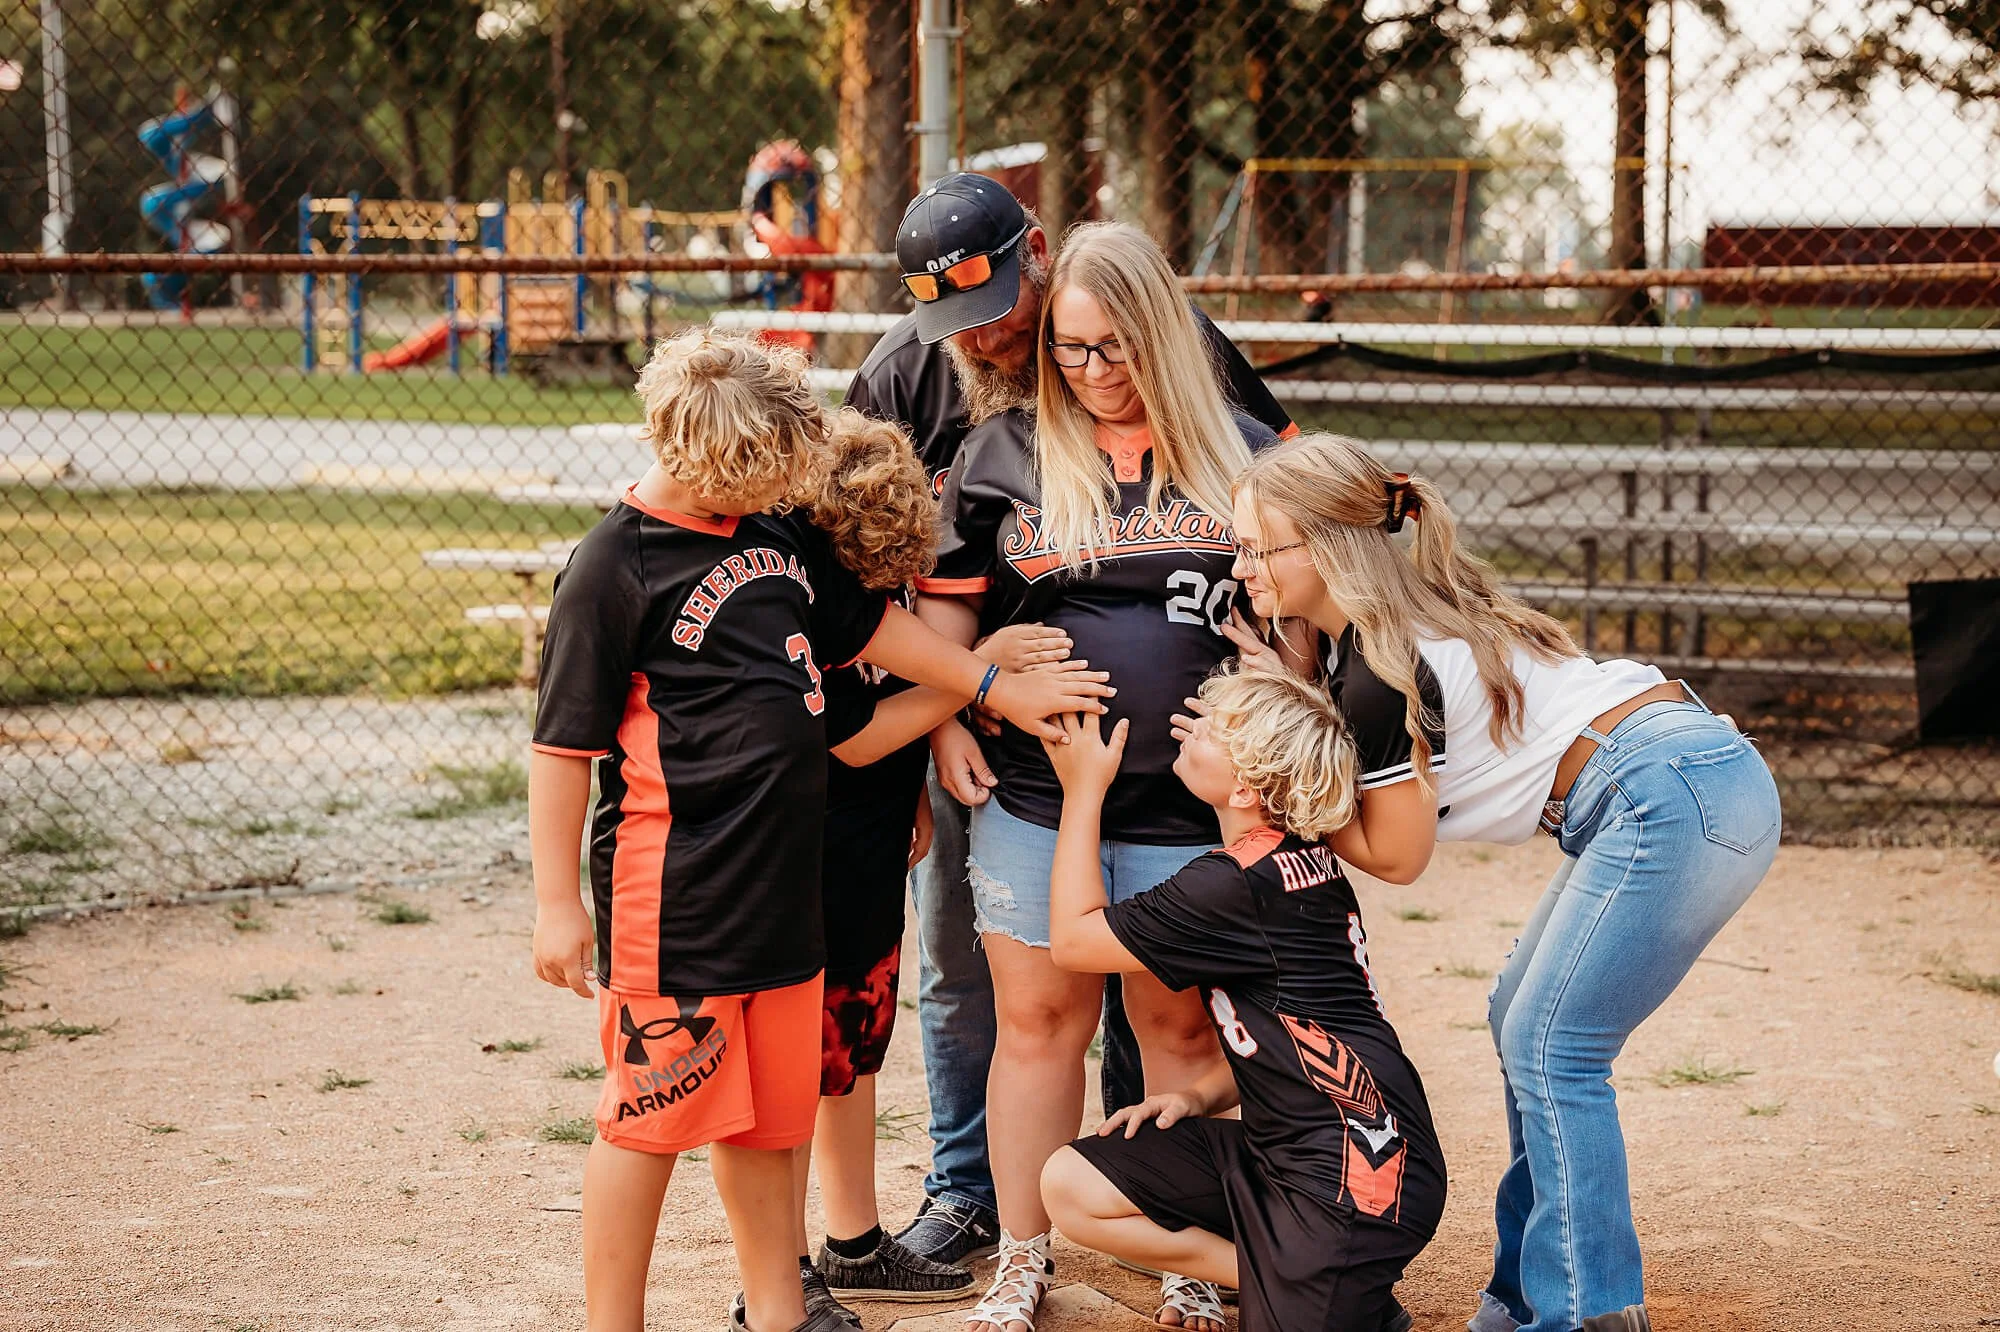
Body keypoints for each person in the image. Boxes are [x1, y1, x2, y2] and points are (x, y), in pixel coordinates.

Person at [525, 330, 1114, 1332]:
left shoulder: (771, 533)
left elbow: (876, 632)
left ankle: (779, 1312)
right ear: (710, 457)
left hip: (786, 889)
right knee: (647, 1125)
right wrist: (555, 906)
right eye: (767, 469)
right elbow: (560, 749)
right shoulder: (612, 567)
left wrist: (986, 683)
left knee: (769, 1118)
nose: (783, 487)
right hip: (677, 902)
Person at [1217, 432, 1784, 1332]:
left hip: (1662, 790)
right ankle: (1521, 1297)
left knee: (1554, 1047)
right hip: (1686, 773)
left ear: (1325, 547)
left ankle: (1585, 1314)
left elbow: (1397, 856)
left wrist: (1273, 778)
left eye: (1259, 547)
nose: (1242, 567)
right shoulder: (1392, 625)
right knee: (1520, 1018)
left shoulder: (1381, 665)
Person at [843, 171, 1296, 1270]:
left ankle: (1153, 1222)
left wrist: (1279, 697)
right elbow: (876, 585)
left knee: (1169, 1015)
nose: (986, 337)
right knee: (981, 983)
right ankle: (980, 1206)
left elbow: (1300, 540)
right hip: (1011, 758)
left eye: (1002, 311)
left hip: (1183, 789)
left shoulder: (1200, 383)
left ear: (1035, 258)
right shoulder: (916, 379)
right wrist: (951, 709)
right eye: (1069, 354)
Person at [783, 413, 1100, 1323]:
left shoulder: (872, 585)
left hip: (870, 852)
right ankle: (783, 1263)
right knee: (798, 1069)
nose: (890, 592)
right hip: (804, 859)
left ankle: (853, 1244)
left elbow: (901, 704)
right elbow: (855, 736)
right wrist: (977, 669)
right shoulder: (809, 598)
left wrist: (919, 782)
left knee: (852, 1054)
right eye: (877, 577)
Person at [1039, 666, 1445, 1332]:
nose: (1189, 729)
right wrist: (1196, 1097)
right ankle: (1285, 1274)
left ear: (1245, 788)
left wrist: (1083, 791)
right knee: (1072, 1183)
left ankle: (1333, 1286)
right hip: (1292, 1153)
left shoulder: (1233, 885)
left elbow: (1073, 942)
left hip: (1361, 1181)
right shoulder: (1296, 855)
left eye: (1212, 731)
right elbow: (1293, 1036)